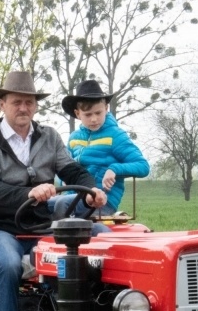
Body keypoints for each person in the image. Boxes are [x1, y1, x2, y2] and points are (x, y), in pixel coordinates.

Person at [0, 71, 107, 311]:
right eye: (17, 102)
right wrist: (28, 192)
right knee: (7, 265)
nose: (24, 108)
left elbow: (74, 172)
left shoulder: (49, 137)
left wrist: (92, 193)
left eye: (29, 102)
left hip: (42, 228)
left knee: (103, 240)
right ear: (2, 104)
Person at [58, 80, 150, 217]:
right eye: (88, 115)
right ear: (78, 114)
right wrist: (63, 181)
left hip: (102, 203)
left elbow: (143, 166)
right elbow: (63, 166)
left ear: (106, 108)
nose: (94, 119)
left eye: (98, 113)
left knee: (75, 225)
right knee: (47, 214)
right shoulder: (73, 138)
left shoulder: (116, 136)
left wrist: (114, 169)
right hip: (73, 198)